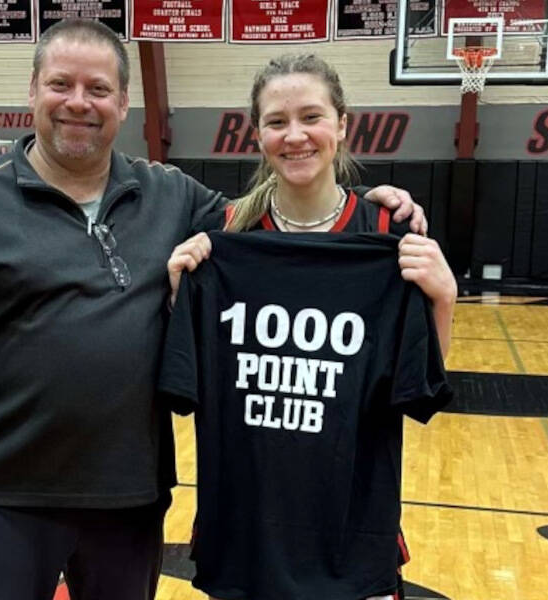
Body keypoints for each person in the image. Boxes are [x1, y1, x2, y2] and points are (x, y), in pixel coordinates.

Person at [0, 20, 428, 600]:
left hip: (129, 502)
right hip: (1, 500)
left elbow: (280, 221)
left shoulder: (172, 196)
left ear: (123, 102)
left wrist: (367, 205)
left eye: (98, 89)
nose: (79, 103)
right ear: (33, 91)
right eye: (61, 84)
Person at [163, 54, 457, 600]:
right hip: (245, 535)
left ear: (343, 124)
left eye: (312, 117)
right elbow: (187, 383)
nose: (295, 135)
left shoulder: (387, 234)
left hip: (350, 535)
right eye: (277, 121)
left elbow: (417, 392)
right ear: (257, 135)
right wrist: (184, 296)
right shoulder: (222, 237)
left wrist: (445, 300)